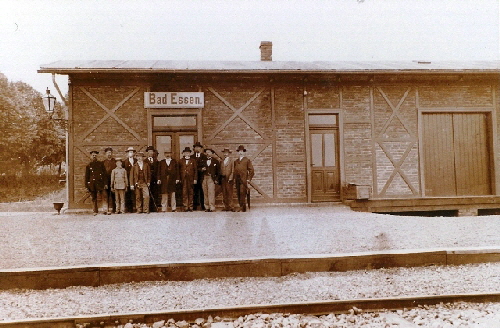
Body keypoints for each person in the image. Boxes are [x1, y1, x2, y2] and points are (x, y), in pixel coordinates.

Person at [85, 150, 109, 215]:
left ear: (97, 156)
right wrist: (87, 186)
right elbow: (86, 177)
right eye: (93, 155)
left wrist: (106, 183)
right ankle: (95, 211)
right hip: (93, 184)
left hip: (101, 183)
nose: (94, 156)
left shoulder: (100, 164)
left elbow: (104, 174)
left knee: (104, 196)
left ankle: (105, 210)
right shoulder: (88, 166)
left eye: (95, 155)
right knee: (94, 197)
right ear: (91, 156)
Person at [233, 145, 254, 212]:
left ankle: (243, 207)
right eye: (239, 151)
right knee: (238, 192)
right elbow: (234, 170)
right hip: (237, 179)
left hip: (243, 180)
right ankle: (241, 206)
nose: (240, 153)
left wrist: (248, 179)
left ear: (244, 152)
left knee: (242, 192)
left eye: (242, 151)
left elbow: (251, 170)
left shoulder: (247, 160)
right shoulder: (236, 161)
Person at [179, 147, 197, 212]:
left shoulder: (193, 160)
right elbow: (178, 171)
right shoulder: (181, 161)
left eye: (188, 153)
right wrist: (179, 179)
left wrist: (195, 179)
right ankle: (185, 207)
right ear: (183, 153)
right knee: (184, 193)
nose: (187, 154)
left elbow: (195, 170)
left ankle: (190, 206)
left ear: (190, 153)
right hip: (183, 179)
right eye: (186, 153)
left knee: (191, 192)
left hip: (191, 179)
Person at [192, 141, 207, 211]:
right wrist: (200, 169)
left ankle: (203, 206)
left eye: (198, 147)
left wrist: (200, 169)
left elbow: (205, 167)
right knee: (194, 191)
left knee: (202, 191)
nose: (197, 149)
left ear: (201, 149)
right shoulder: (192, 157)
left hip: (202, 177)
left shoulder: (204, 157)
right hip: (193, 177)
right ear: (194, 149)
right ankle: (194, 206)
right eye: (196, 147)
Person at [102, 147, 116, 214]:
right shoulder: (103, 163)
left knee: (114, 196)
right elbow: (102, 174)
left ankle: (114, 209)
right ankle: (106, 210)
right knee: (105, 196)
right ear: (105, 154)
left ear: (112, 153)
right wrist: (104, 183)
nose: (109, 154)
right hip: (106, 182)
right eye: (107, 153)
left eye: (110, 152)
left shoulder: (115, 162)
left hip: (114, 181)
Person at [146, 146, 160, 212]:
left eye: (152, 151)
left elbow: (158, 171)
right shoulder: (145, 161)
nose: (151, 153)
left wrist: (158, 179)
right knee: (148, 194)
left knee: (155, 193)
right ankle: (148, 208)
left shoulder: (156, 161)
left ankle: (154, 208)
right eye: (149, 151)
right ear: (147, 153)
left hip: (154, 180)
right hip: (147, 180)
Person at [124, 147, 136, 213]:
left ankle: (136, 208)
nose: (131, 153)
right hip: (128, 180)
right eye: (130, 152)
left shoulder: (136, 161)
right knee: (128, 194)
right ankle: (129, 208)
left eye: (132, 152)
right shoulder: (125, 162)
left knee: (136, 194)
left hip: (135, 180)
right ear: (128, 153)